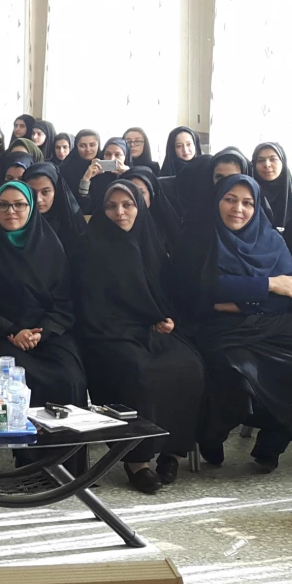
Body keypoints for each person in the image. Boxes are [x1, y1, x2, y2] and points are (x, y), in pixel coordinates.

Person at [170, 175, 292, 469]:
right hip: (216, 329)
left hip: (271, 326)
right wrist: (268, 284)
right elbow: (200, 288)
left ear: (257, 207)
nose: (238, 209)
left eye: (248, 203)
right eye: (230, 200)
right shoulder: (200, 239)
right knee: (238, 374)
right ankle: (212, 434)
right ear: (217, 201)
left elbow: (289, 294)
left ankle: (273, 441)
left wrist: (236, 301)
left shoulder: (272, 240)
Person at [75, 182, 204, 493]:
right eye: (111, 206)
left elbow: (167, 292)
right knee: (140, 372)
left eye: (127, 205)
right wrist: (135, 326)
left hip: (152, 329)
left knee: (190, 365)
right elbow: (89, 304)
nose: (119, 212)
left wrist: (168, 319)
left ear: (140, 208)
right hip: (107, 334)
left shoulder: (150, 240)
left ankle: (172, 452)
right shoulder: (89, 246)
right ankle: (137, 460)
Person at [0, 182, 88, 422]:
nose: (11, 211)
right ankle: (26, 444)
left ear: (31, 208)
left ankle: (66, 444)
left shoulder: (50, 245)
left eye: (19, 205)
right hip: (0, 334)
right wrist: (13, 330)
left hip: (47, 333)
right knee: (21, 378)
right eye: (4, 205)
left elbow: (63, 301)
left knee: (69, 376)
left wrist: (42, 332)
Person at [24, 162, 86, 254]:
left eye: (45, 192)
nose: (38, 199)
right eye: (32, 192)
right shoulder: (16, 222)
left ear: (56, 191)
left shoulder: (72, 223)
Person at [252, 142, 292, 229]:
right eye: (261, 160)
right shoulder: (248, 196)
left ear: (283, 162)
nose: (267, 165)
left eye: (273, 159)